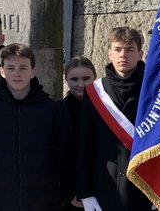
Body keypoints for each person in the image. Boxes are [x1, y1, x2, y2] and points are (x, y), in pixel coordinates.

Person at [0, 43, 70, 210]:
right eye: (11, 68)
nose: (17, 73)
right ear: (2, 72)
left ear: (32, 71)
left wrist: (68, 189)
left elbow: (63, 153)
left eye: (23, 68)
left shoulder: (51, 109)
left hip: (42, 199)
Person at [76, 27, 152, 211]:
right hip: (105, 188)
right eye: (117, 49)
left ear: (140, 53)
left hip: (145, 190)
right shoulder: (95, 92)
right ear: (109, 53)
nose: (123, 55)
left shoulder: (154, 91)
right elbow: (86, 144)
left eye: (129, 49)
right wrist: (85, 193)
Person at [61, 56, 96, 210]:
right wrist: (69, 192)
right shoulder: (57, 111)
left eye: (86, 78)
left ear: (95, 78)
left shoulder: (108, 109)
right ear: (66, 79)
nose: (80, 84)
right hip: (71, 197)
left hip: (103, 188)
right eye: (74, 79)